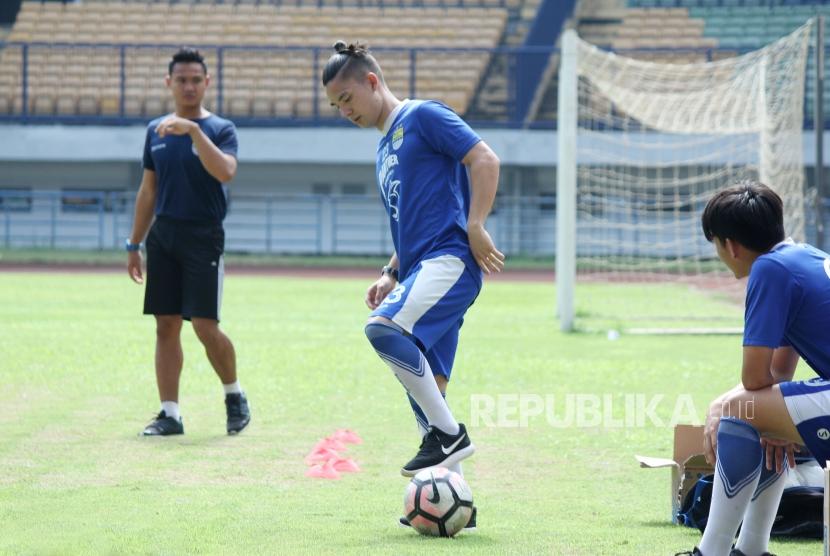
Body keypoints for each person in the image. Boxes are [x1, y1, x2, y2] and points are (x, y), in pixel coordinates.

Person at [322, 41, 504, 527]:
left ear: (372, 82)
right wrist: (390, 272)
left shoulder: (422, 116)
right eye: (335, 106)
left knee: (382, 330)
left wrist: (476, 225)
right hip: (423, 266)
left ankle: (452, 438)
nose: (344, 111)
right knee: (428, 389)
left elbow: (485, 159)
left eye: (346, 98)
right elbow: (413, 222)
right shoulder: (385, 147)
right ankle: (456, 499)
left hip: (450, 263)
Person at [676, 181, 830, 556]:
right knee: (754, 414)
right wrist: (767, 416)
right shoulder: (804, 257)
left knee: (739, 414)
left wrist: (721, 406)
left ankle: (713, 552)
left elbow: (754, 379)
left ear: (729, 244)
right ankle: (750, 550)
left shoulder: (770, 269)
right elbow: (777, 377)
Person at [126, 48, 250, 437]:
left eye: (196, 79)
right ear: (169, 83)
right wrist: (134, 244)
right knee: (165, 325)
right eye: (182, 79)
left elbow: (226, 171)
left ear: (207, 83)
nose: (189, 86)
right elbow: (148, 190)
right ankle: (170, 414)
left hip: (203, 235)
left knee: (204, 325)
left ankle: (234, 395)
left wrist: (194, 131)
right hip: (163, 237)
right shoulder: (155, 131)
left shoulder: (220, 129)